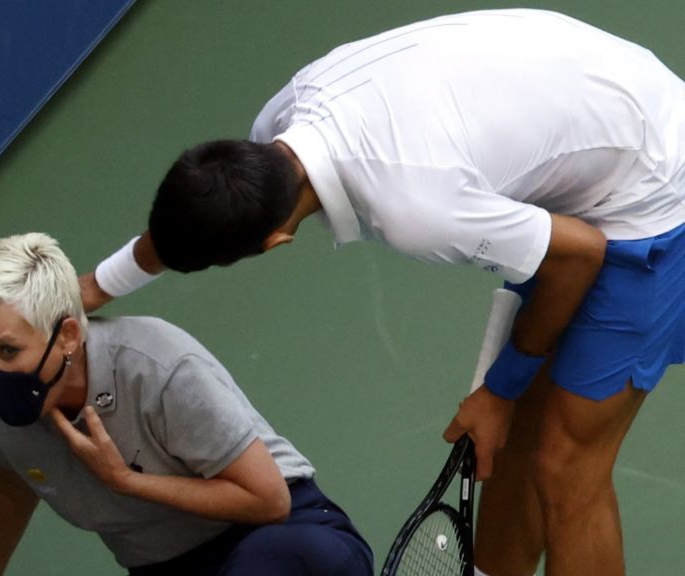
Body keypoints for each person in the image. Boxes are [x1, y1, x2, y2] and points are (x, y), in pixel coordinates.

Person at [78, 9, 685, 576]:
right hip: (587, 97)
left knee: (567, 468)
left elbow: (580, 256)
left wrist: (500, 389)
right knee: (515, 446)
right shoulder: (275, 129)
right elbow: (187, 224)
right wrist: (92, 288)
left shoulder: (416, 207)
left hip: (652, 184)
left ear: (273, 243)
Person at [0, 233, 373, 576]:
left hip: (284, 542)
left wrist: (126, 481)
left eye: (8, 350)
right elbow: (11, 483)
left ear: (67, 335)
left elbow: (268, 500)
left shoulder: (158, 367)